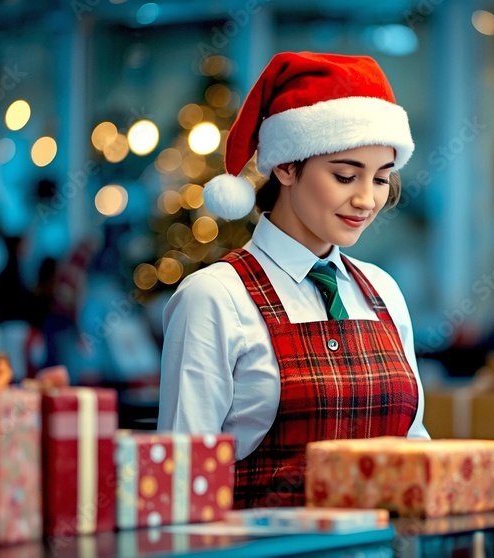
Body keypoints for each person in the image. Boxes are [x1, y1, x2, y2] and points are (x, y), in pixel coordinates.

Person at [157, 52, 431, 509]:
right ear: (285, 166)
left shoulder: (383, 291)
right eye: (345, 175)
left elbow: (415, 447)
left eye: (382, 179)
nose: (366, 199)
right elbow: (184, 481)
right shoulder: (215, 298)